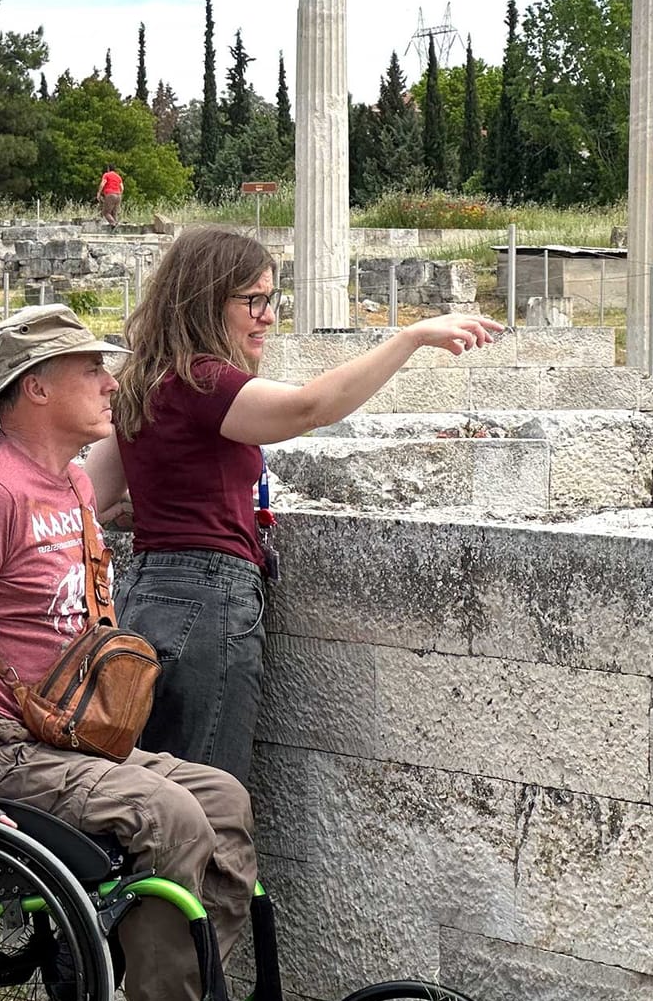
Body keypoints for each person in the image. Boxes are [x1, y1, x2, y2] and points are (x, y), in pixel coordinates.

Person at [0, 303, 280, 1001]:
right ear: (36, 388)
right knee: (170, 817)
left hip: (65, 735)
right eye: (90, 371)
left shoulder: (71, 482)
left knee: (225, 800)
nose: (111, 382)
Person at [85, 227, 501, 787]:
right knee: (208, 795)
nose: (268, 317)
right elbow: (309, 408)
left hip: (148, 595)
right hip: (209, 600)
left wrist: (162, 503)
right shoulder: (203, 380)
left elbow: (96, 496)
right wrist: (410, 339)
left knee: (160, 793)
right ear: (206, 300)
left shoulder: (143, 380)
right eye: (253, 301)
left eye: (270, 300)